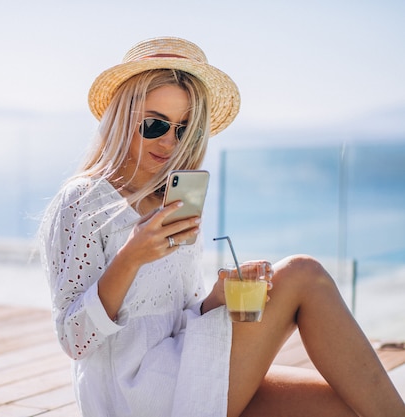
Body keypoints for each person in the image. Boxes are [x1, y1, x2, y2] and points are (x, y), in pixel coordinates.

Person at [39, 36, 404, 417]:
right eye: (154, 124)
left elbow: (180, 316)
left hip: (183, 364)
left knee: (346, 405)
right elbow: (74, 340)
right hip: (134, 393)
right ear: (121, 119)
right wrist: (131, 256)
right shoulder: (83, 200)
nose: (168, 141)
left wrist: (218, 295)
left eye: (184, 130)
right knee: (302, 274)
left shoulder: (172, 201)